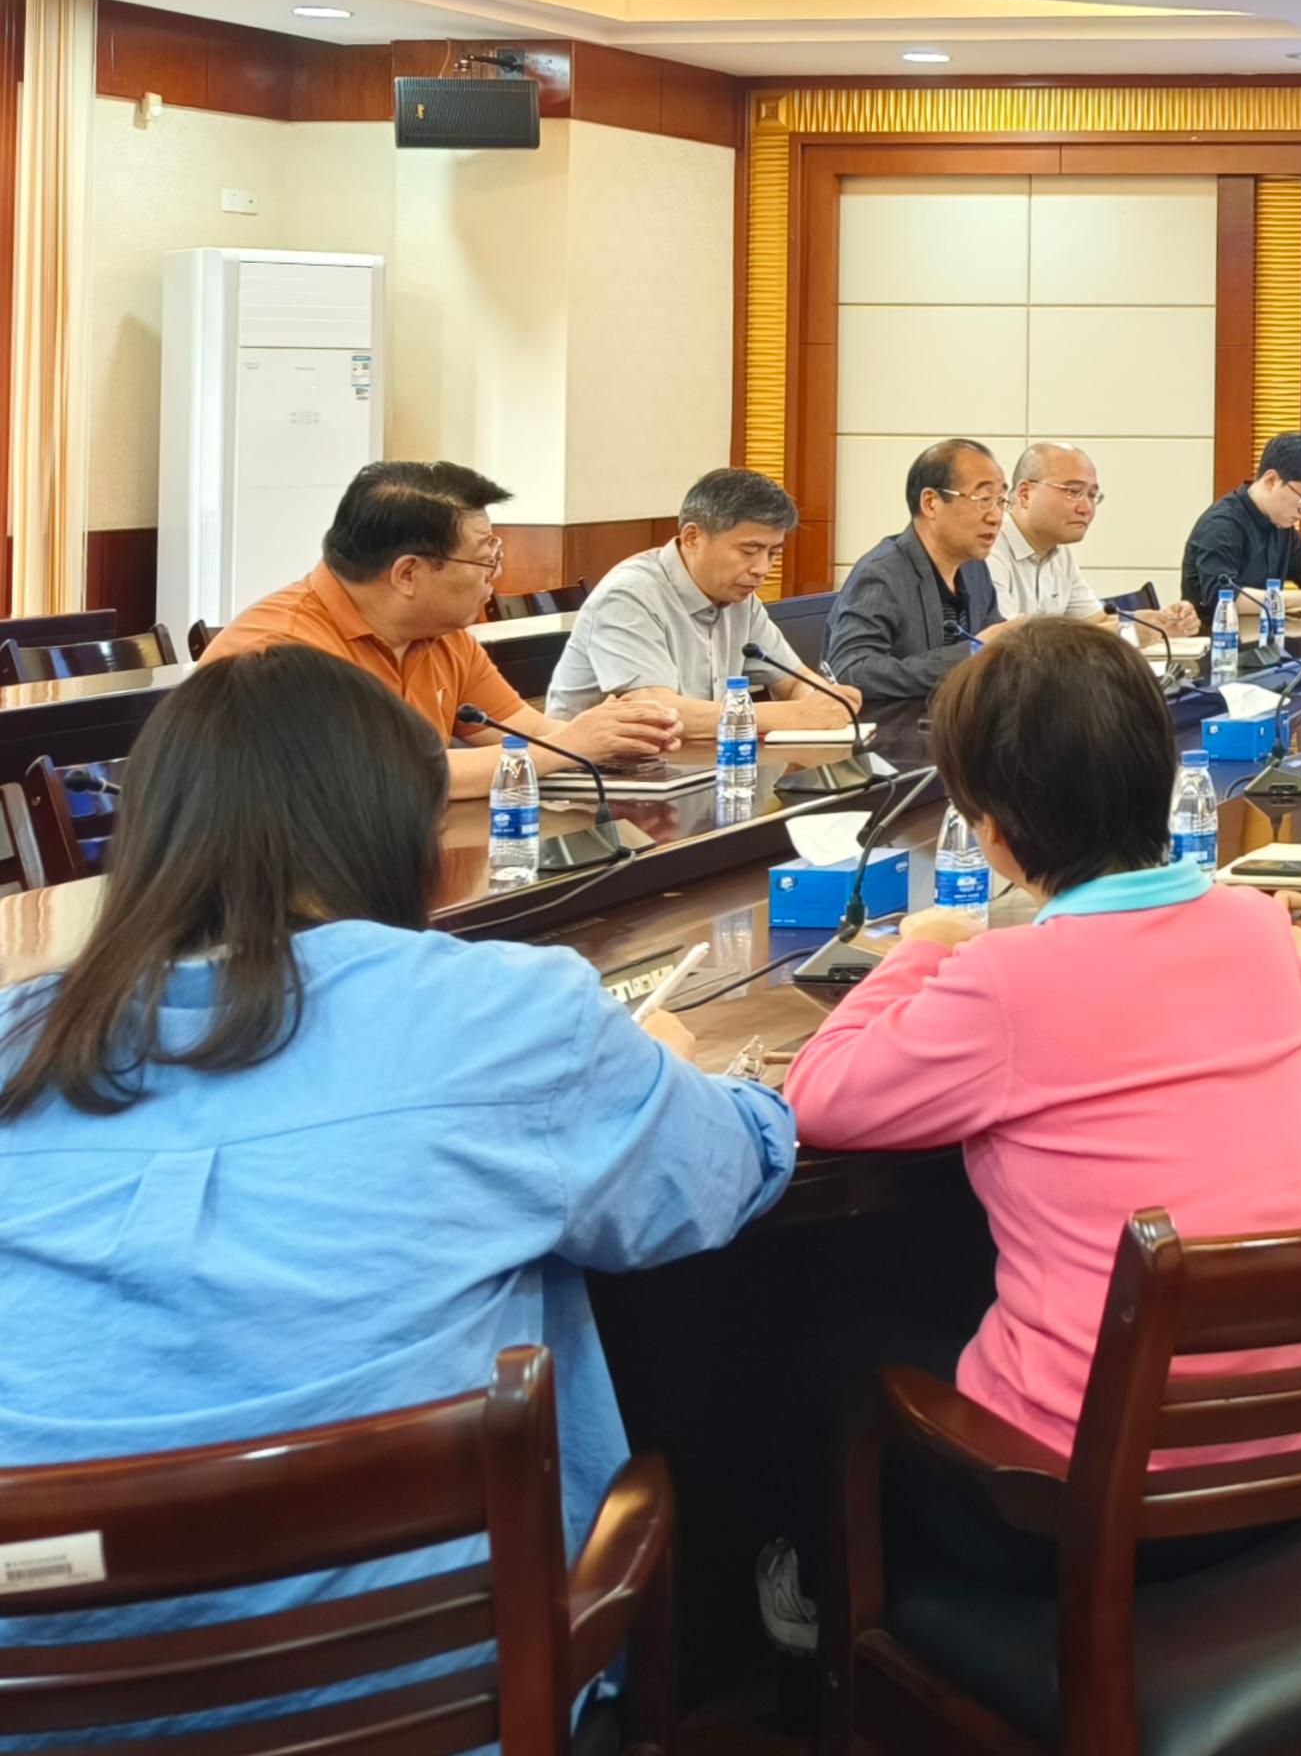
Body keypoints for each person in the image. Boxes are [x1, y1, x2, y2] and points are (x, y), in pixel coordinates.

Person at [0, 648, 792, 1699]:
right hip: (441, 1698)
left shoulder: (22, 1037)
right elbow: (717, 1173)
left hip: (46, 1696)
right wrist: (684, 1077)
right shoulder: (506, 1014)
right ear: (396, 827)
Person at [782, 622, 1301, 1571]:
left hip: (1083, 1506)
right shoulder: (1254, 926)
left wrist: (917, 950)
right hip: (1279, 1462)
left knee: (829, 1353)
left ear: (993, 835)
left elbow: (820, 1099)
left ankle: (810, 1626)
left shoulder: (1005, 980)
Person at [206, 459, 682, 798]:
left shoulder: (442, 635)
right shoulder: (277, 653)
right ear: (407, 574)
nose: (496, 574)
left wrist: (616, 737)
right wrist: (570, 745)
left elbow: (528, 731)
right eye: (485, 558)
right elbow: (385, 780)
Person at [546, 465, 866, 736]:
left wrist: (825, 700)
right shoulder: (629, 596)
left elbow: (795, 682)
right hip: (596, 778)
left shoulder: (740, 597)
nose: (762, 568)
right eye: (749, 550)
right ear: (692, 537)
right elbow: (658, 712)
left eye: (773, 553)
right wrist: (798, 715)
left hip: (692, 766)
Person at [828, 439, 1025, 713]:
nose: (996, 517)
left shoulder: (974, 568)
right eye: (983, 499)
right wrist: (972, 652)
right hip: (892, 732)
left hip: (956, 723)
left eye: (1001, 501)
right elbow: (851, 671)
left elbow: (993, 648)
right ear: (931, 503)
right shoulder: (882, 574)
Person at [994, 440, 1199, 635]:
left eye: (1092, 495)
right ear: (1025, 493)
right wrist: (1128, 632)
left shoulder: (1059, 552)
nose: (1086, 508)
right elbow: (1008, 640)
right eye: (1073, 491)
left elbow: (1095, 622)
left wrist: (1160, 623)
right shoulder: (990, 547)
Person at [1179, 431, 1301, 630]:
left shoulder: (1281, 524)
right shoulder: (1220, 525)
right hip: (1218, 643)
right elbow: (1224, 598)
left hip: (1265, 642)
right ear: (1271, 480)